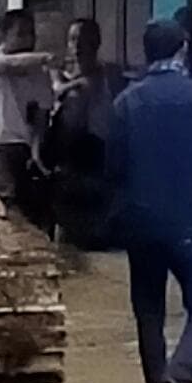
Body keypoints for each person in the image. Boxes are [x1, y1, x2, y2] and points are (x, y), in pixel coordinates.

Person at [100, 16, 192, 383]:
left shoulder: (127, 102)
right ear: (182, 50)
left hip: (140, 221)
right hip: (188, 218)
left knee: (149, 309)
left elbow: (113, 168)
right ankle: (180, 376)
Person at [41, 16, 131, 246]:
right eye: (72, 39)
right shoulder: (62, 75)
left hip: (98, 148)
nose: (78, 45)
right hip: (65, 150)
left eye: (84, 40)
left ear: (96, 42)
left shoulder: (108, 74)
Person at [0, 8, 59, 212]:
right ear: (4, 36)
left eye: (31, 34)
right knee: (12, 197)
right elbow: (7, 64)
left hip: (23, 147)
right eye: (21, 34)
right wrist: (45, 58)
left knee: (41, 201)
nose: (28, 40)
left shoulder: (38, 74)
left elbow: (42, 117)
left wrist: (36, 153)